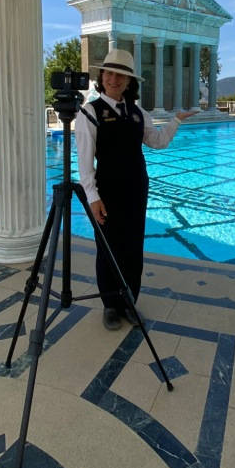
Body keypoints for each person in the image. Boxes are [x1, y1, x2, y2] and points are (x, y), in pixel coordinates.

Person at [74, 48, 198, 330]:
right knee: (108, 248)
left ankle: (129, 301)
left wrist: (176, 120)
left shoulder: (139, 113)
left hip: (136, 190)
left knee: (132, 247)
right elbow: (84, 164)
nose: (113, 79)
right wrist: (93, 197)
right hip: (107, 191)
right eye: (108, 73)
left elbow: (157, 142)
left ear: (130, 82)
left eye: (121, 75)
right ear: (101, 76)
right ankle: (110, 305)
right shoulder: (90, 113)